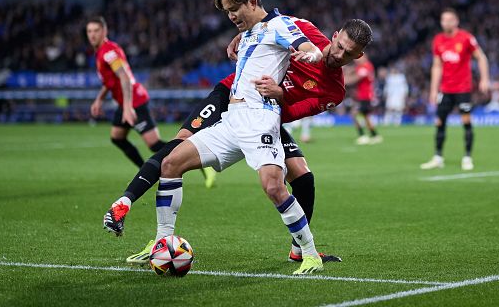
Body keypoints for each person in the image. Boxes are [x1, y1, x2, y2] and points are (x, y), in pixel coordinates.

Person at [104, 17, 373, 268]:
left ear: (358, 56)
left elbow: (291, 113)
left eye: (349, 54)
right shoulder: (306, 30)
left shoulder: (334, 90)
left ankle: (299, 249)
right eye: (339, 46)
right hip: (230, 95)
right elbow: (266, 22)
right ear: (335, 35)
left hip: (265, 114)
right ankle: (150, 231)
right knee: (177, 147)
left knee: (303, 177)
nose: (340, 55)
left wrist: (279, 94)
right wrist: (241, 34)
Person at [86, 16, 166, 168]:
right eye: (89, 31)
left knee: (154, 144)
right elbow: (110, 81)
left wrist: (128, 108)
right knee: (117, 137)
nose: (92, 35)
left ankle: (196, 157)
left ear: (104, 31)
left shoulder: (108, 53)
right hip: (126, 101)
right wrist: (99, 99)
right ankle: (145, 172)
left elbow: (124, 77)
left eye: (96, 30)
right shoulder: (102, 51)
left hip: (134, 100)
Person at [420, 8, 490, 171]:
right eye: (443, 20)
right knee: (439, 122)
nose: (446, 22)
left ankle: (467, 157)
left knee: (466, 121)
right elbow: (436, 66)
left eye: (450, 19)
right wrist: (433, 89)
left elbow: (481, 57)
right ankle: (438, 157)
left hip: (463, 89)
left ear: (456, 21)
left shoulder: (466, 38)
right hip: (445, 90)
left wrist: (485, 78)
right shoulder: (438, 40)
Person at [346, 53, 382, 145]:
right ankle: (375, 135)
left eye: (358, 58)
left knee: (354, 114)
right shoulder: (363, 67)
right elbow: (352, 72)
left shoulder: (365, 67)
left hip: (365, 96)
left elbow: (355, 79)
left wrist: (343, 80)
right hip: (364, 96)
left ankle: (362, 136)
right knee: (366, 116)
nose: (356, 60)